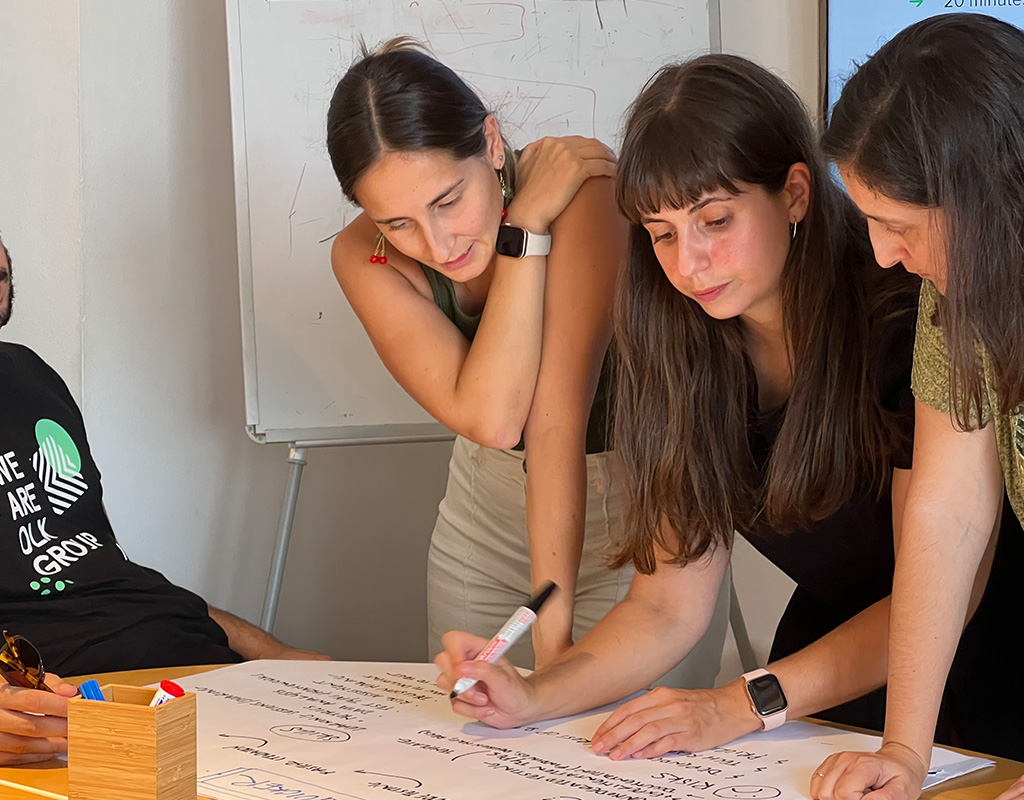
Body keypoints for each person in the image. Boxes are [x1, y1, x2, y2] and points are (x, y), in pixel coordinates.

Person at [435, 53, 1018, 761]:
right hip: (827, 667)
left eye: (715, 220)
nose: (689, 264)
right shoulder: (680, 347)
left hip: (989, 654)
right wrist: (534, 693)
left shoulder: (906, 315)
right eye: (662, 233)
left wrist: (741, 703)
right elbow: (666, 605)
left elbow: (945, 569)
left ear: (795, 193)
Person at [0, 105, 323, 768]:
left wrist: (277, 657)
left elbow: (94, 578)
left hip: (191, 689)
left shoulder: (26, 374)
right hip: (68, 724)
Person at [324, 39, 729, 677]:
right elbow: (492, 419)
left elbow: (553, 422)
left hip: (636, 513)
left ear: (490, 143)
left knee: (609, 735)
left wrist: (552, 641)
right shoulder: (363, 255)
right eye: (397, 223)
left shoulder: (585, 198)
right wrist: (525, 225)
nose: (437, 244)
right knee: (467, 728)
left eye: (448, 201)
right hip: (483, 520)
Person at [810, 14, 1024, 800]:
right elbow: (948, 510)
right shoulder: (959, 290)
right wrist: (905, 749)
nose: (881, 254)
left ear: (987, 201)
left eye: (897, 225)